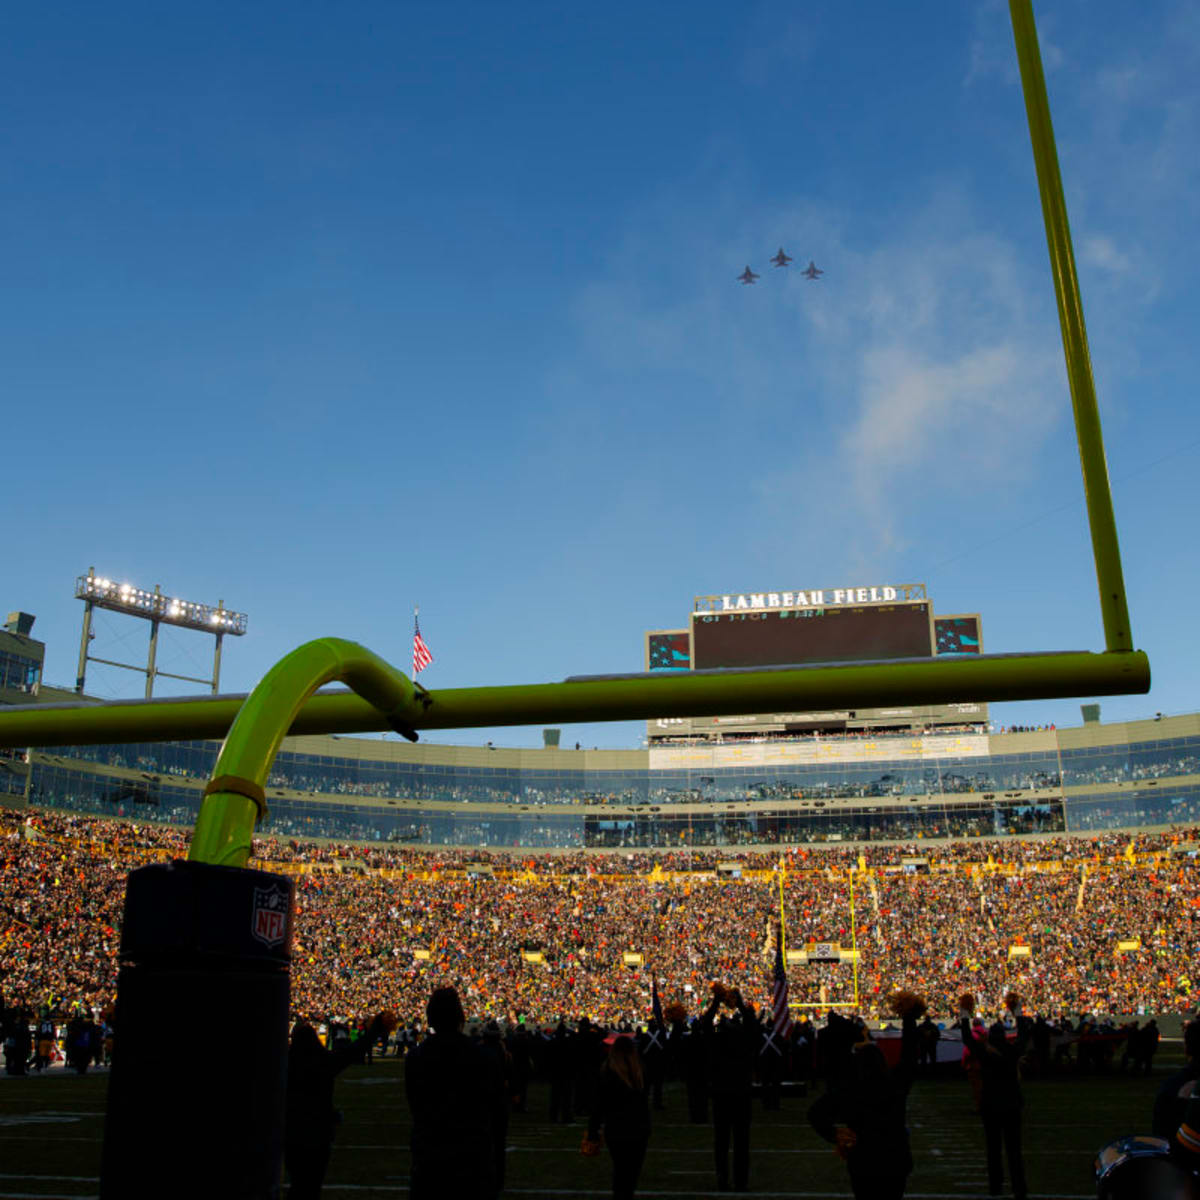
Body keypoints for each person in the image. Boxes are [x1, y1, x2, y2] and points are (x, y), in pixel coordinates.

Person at [808, 990, 923, 1200]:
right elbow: (909, 1056)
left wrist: (833, 1134)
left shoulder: (850, 1087)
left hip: (863, 1162)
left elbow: (815, 1114)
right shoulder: (894, 1085)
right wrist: (908, 1018)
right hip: (895, 1161)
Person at [285, 1010, 396, 1199]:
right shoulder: (322, 1062)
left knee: (298, 1184)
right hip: (319, 1132)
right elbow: (354, 1051)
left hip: (292, 1131)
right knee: (312, 1185)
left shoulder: (286, 1065)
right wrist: (376, 1028)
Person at [405, 986, 502, 1200]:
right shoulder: (483, 1057)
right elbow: (494, 1108)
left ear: (430, 1018)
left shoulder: (416, 1057)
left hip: (430, 1154)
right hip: (472, 1156)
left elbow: (414, 1104)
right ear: (461, 1017)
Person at [957, 993, 1030, 1200]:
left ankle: (995, 1187)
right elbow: (1023, 1034)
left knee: (993, 1150)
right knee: (1014, 1150)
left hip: (990, 1106)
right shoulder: (1012, 1052)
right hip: (1012, 1106)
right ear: (1006, 1036)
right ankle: (1019, 1187)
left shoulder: (985, 1053)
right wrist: (1016, 1010)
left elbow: (967, 1038)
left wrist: (965, 1013)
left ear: (990, 1037)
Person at [701, 983, 759, 1193]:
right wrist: (741, 1003)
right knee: (741, 1142)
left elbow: (705, 1024)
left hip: (721, 1094)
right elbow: (752, 1025)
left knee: (721, 1141)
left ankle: (723, 1178)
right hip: (741, 1093)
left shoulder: (716, 1044)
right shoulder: (745, 1042)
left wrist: (717, 1000)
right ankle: (740, 1180)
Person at [588, 1036, 652, 1200]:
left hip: (616, 1128)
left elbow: (598, 1105)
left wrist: (592, 1132)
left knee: (621, 1171)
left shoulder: (607, 1071)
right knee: (632, 1175)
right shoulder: (640, 1071)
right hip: (639, 1128)